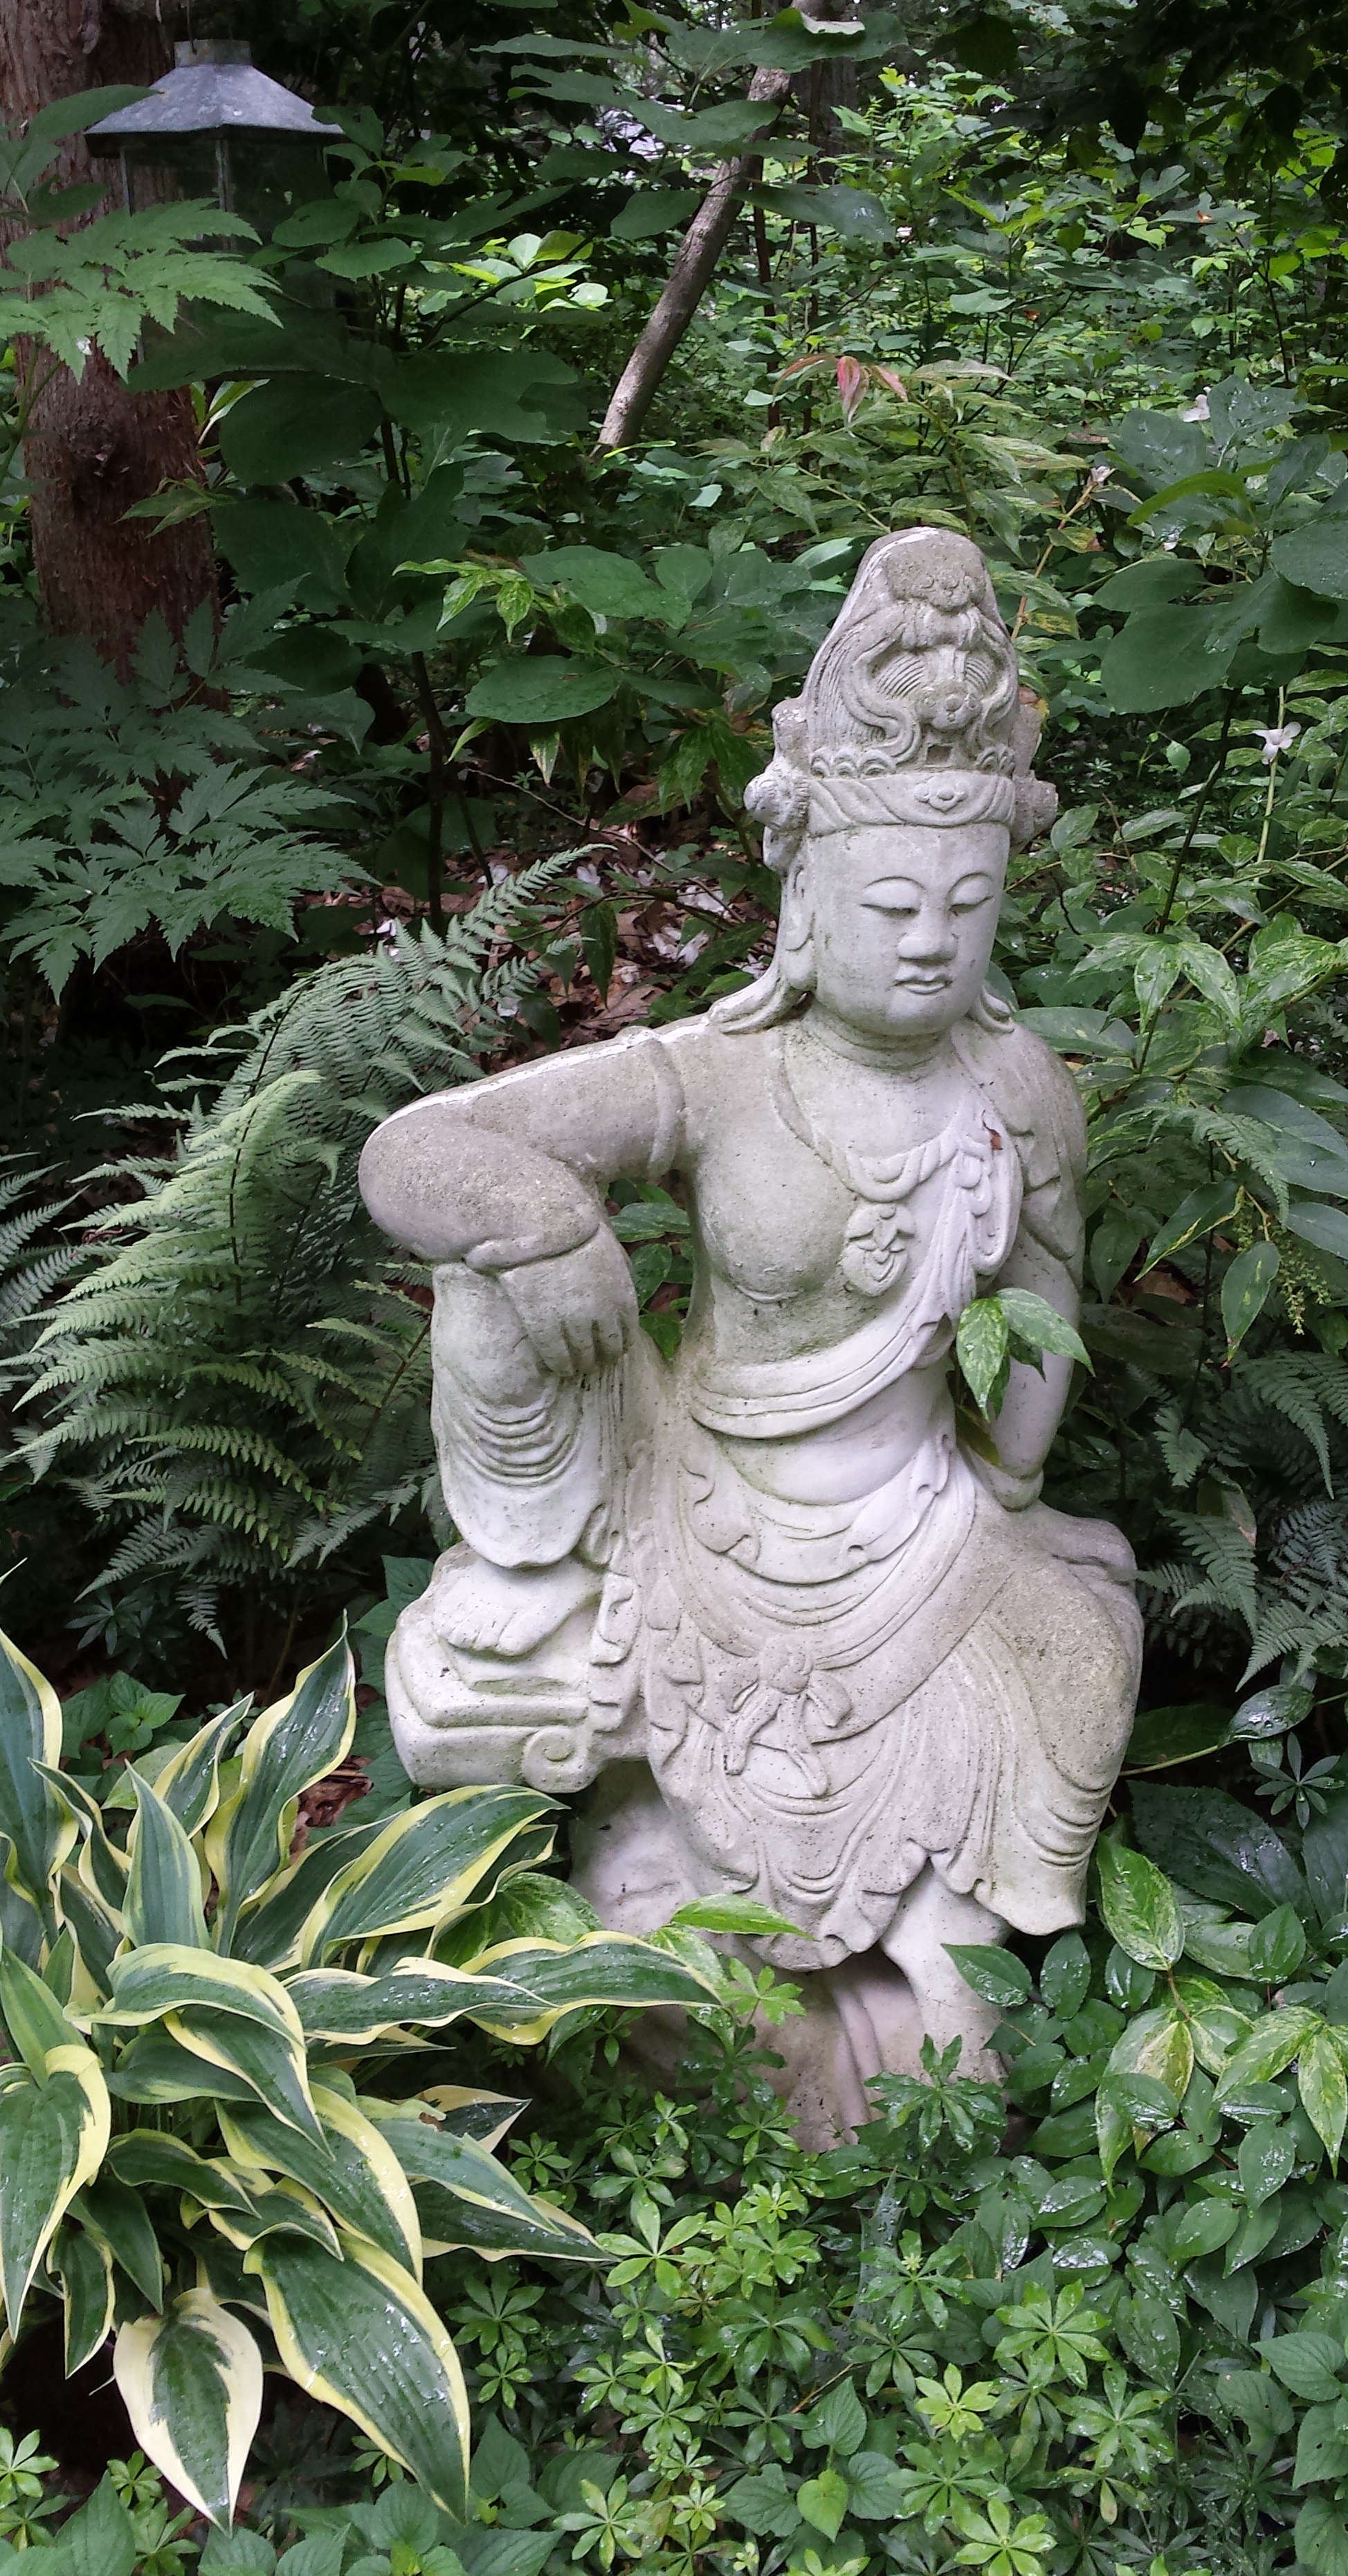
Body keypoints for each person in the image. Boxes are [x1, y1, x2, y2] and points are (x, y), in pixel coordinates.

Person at [359, 527, 1140, 2143]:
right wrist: (543, 1222)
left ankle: (914, 1991)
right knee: (491, 1269)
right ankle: (548, 1621)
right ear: (805, 898)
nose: (928, 938)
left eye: (967, 903)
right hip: (698, 1510)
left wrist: (1008, 1481)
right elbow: (415, 1154)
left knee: (1072, 1659)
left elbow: (1051, 1296)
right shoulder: (715, 1079)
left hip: (924, 1527)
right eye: (890, 901)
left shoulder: (1016, 1088)